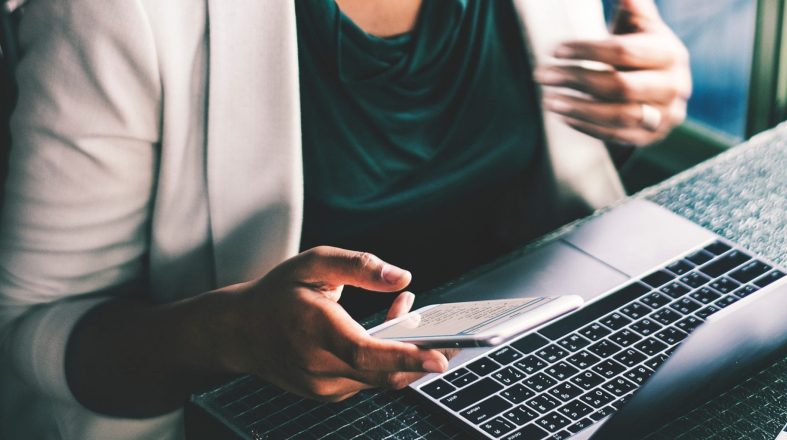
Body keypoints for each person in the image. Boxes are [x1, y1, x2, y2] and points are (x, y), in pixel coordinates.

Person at [0, 0, 690, 438]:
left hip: (547, 375)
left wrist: (634, 106)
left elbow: (538, 163)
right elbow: (30, 329)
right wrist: (225, 337)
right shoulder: (118, 13)